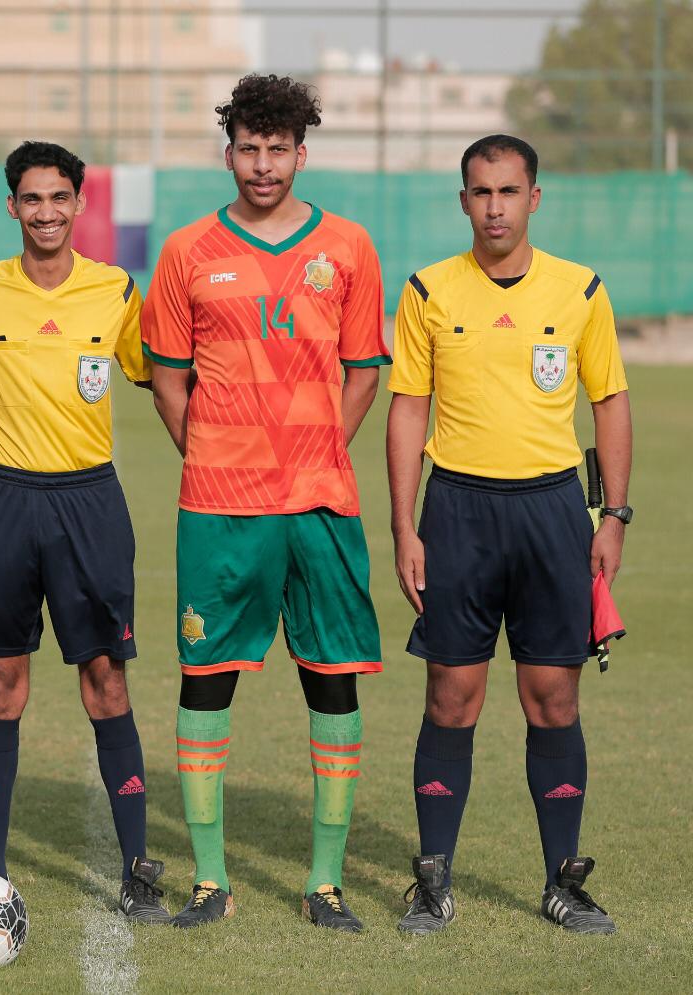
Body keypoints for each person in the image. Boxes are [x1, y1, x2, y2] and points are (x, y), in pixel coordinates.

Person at [142, 74, 389, 931]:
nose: (262, 164)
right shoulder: (184, 251)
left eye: (278, 148)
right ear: (229, 151)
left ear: (301, 153)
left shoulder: (350, 246)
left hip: (321, 499)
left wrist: (319, 447)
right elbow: (167, 380)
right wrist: (213, 449)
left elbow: (365, 373)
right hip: (219, 505)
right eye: (248, 147)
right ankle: (211, 879)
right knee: (206, 681)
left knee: (331, 682)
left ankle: (326, 882)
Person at [387, 134, 631, 935]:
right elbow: (408, 409)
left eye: (509, 191)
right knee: (452, 696)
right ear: (464, 201)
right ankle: (432, 880)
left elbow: (611, 401)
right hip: (456, 511)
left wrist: (615, 515)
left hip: (553, 513)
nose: (495, 205)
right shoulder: (429, 290)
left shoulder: (580, 290)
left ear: (535, 198)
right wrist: (403, 524)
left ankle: (564, 881)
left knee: (553, 697)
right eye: (481, 191)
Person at [0, 141, 169, 923]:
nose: (45, 212)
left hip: (89, 503)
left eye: (58, 198)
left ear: (80, 204)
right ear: (13, 207)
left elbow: (157, 373)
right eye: (30, 199)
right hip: (2, 500)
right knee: (1, 680)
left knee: (106, 676)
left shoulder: (115, 290)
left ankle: (139, 864)